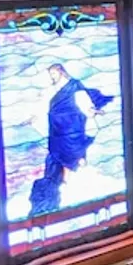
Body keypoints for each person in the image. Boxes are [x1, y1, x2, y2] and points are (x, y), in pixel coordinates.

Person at [27, 63, 113, 216]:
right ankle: (55, 197)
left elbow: (85, 104)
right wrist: (34, 118)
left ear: (61, 72)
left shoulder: (74, 86)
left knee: (70, 158)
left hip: (71, 130)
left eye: (54, 74)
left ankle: (70, 188)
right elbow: (47, 106)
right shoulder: (55, 89)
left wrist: (92, 111)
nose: (52, 77)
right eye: (51, 75)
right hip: (57, 131)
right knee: (58, 160)